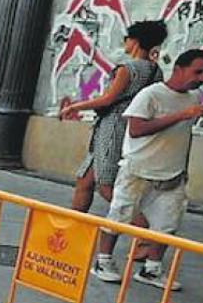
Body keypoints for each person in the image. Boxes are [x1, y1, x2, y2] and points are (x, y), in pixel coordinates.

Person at [92, 49, 203, 288]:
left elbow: (184, 135)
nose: (201, 77)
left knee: (167, 224)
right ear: (179, 69)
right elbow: (137, 130)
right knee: (119, 216)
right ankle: (103, 260)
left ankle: (152, 269)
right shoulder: (151, 95)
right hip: (138, 169)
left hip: (172, 173)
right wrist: (181, 115)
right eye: (197, 71)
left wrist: (183, 166)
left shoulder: (195, 97)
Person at [57, 19, 168, 216]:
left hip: (113, 124)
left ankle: (142, 226)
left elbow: (108, 99)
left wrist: (74, 106)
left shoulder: (127, 68)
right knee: (86, 180)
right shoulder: (155, 71)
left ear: (135, 41)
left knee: (106, 185)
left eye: (127, 39)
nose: (125, 43)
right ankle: (73, 227)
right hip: (130, 124)